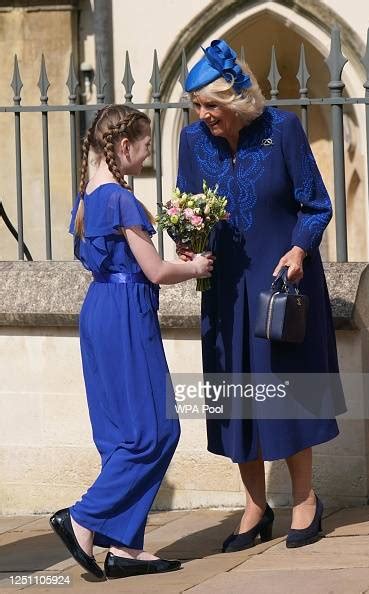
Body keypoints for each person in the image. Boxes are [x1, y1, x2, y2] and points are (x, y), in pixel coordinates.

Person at [176, 40, 346, 552]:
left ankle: (305, 502)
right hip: (224, 289)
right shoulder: (191, 142)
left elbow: (316, 205)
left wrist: (299, 250)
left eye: (213, 105)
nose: (205, 115)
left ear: (238, 100)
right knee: (235, 401)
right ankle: (255, 507)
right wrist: (186, 239)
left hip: (281, 284)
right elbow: (188, 208)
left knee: (288, 393)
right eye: (199, 106)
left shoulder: (283, 130)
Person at [49, 105, 214, 579]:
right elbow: (156, 271)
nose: (145, 159)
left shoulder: (84, 200)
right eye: (144, 149)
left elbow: (106, 260)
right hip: (126, 313)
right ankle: (82, 518)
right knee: (156, 431)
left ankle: (124, 548)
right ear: (123, 148)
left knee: (121, 436)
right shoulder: (121, 200)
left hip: (97, 311)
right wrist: (198, 266)